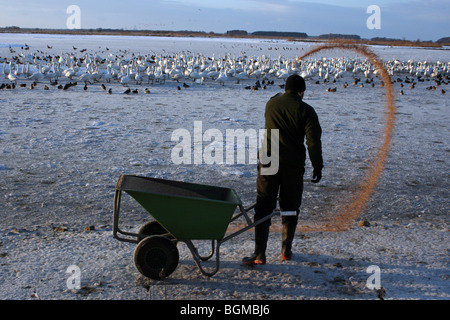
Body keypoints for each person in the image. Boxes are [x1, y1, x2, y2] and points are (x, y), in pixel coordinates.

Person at [242, 74, 323, 265]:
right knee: (290, 207)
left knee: (264, 207)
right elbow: (313, 142)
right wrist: (317, 164)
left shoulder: (271, 105)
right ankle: (286, 251)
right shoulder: (307, 111)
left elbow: (276, 100)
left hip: (269, 161)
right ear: (301, 91)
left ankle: (259, 254)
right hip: (292, 165)